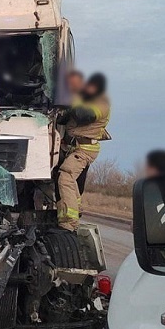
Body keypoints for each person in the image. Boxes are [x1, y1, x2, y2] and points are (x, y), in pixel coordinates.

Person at [55, 71, 111, 231]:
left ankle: (69, 223)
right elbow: (63, 119)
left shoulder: (101, 103)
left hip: (85, 149)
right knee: (72, 181)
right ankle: (76, 209)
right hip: (74, 148)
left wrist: (72, 100)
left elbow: (83, 115)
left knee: (65, 178)